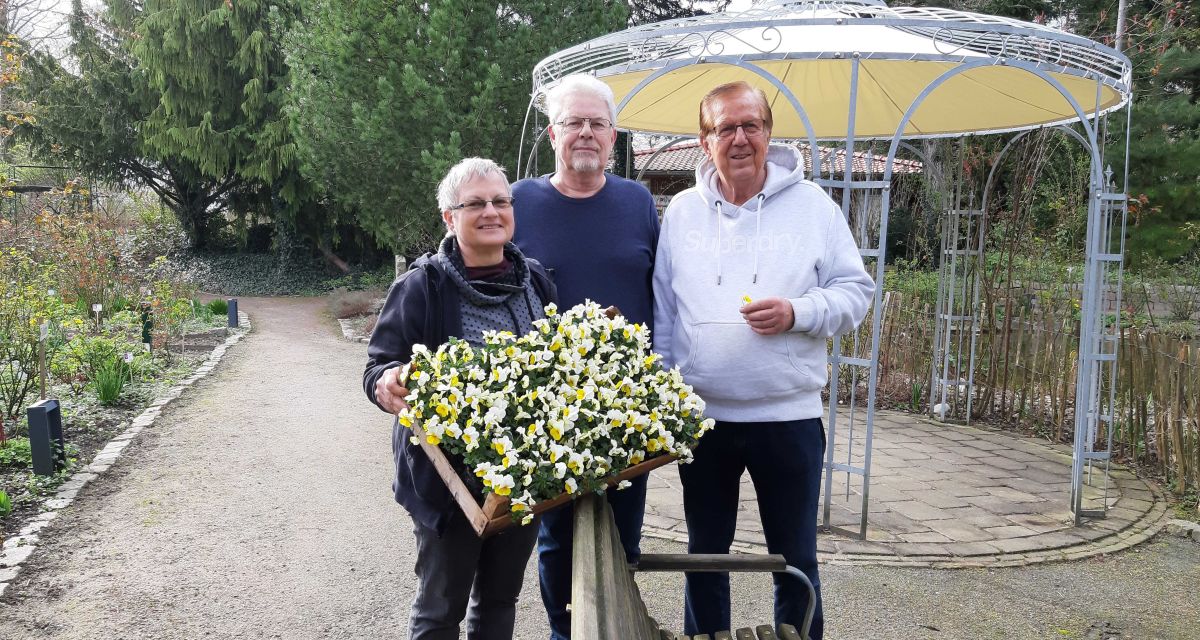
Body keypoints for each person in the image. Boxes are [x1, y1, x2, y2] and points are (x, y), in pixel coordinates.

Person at [652, 81, 875, 639]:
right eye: (725, 127)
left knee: (795, 557)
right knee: (705, 555)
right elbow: (663, 311)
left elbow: (857, 292)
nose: (740, 138)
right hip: (702, 419)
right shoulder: (680, 212)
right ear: (705, 141)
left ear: (769, 133)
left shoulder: (814, 207)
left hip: (789, 417)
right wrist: (662, 395)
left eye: (751, 124)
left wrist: (799, 312)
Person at [363, 157, 557, 640]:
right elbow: (378, 366)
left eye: (500, 201)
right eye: (475, 204)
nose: (491, 212)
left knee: (498, 601)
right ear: (450, 217)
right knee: (439, 610)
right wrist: (388, 382)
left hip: (522, 475)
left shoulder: (537, 281)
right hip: (448, 481)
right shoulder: (422, 286)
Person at [511, 73, 660, 640]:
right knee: (555, 539)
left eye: (597, 123)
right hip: (547, 402)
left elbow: (661, 291)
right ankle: (562, 632)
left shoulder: (638, 201)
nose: (586, 134)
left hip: (630, 404)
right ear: (553, 133)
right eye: (574, 122)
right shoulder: (521, 201)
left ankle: (611, 628)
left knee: (624, 536)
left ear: (614, 135)